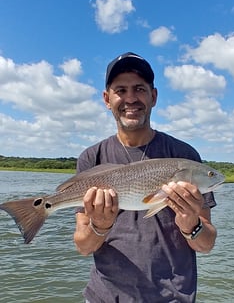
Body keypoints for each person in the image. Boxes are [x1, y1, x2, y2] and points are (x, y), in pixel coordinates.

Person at [74, 52, 217, 303]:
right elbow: (84, 247)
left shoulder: (184, 155)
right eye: (121, 90)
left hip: (172, 297)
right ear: (107, 99)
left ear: (154, 96)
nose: (131, 98)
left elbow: (206, 244)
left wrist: (191, 224)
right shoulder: (91, 158)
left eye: (139, 89)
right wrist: (100, 226)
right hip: (105, 297)